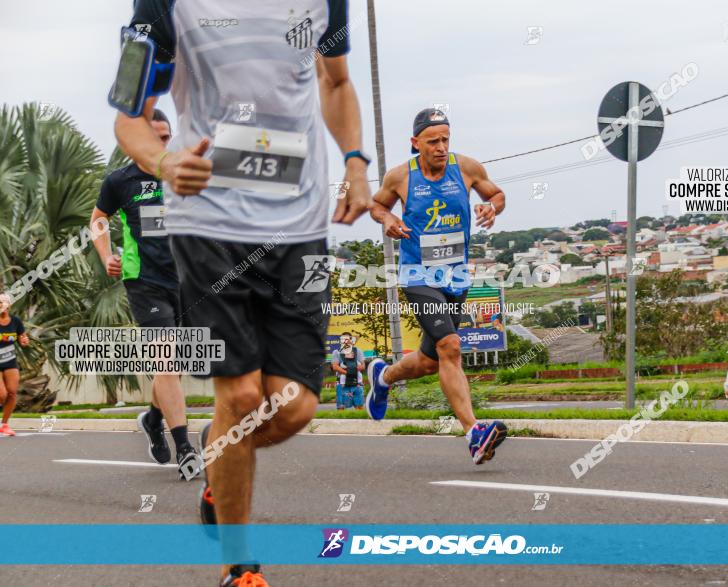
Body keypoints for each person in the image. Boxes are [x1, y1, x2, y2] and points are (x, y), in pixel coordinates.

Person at [112, 1, 369, 584]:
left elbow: (338, 81)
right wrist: (162, 159)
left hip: (300, 226)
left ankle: (216, 456)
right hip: (207, 221)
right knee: (243, 394)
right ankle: (240, 567)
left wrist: (355, 163)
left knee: (296, 405)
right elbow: (131, 113)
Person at [367, 108, 508, 465]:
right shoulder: (401, 176)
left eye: (446, 139)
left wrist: (492, 208)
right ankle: (474, 432)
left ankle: (383, 377)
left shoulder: (468, 169)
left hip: (456, 277)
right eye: (433, 141)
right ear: (416, 143)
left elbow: (497, 194)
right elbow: (376, 205)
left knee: (432, 360)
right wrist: (388, 218)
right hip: (418, 276)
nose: (441, 147)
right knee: (451, 345)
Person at [92, 108, 199, 479]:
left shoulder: (184, 173)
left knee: (176, 366)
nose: (162, 145)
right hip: (144, 281)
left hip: (187, 281)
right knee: (165, 363)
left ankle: (153, 419)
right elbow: (98, 220)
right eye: (154, 138)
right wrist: (107, 255)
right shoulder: (120, 181)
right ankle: (185, 448)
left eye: (166, 137)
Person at [0, 293, 28, 437]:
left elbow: (22, 338)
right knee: (1, 394)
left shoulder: (16, 321)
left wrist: (24, 341)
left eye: (4, 302)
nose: (2, 304)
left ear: (9, 305)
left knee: (11, 392)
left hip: (10, 360)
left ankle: (4, 424)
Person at [331, 332, 365, 410]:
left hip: (357, 383)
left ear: (351, 340)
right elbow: (335, 367)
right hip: (342, 383)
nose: (345, 341)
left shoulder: (358, 351)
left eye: (347, 339)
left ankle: (361, 421)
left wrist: (350, 370)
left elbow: (363, 366)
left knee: (359, 406)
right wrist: (349, 372)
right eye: (343, 339)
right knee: (341, 407)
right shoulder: (336, 352)